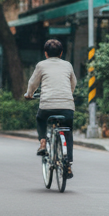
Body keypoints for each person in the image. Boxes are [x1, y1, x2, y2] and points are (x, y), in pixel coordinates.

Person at [24, 38, 77, 179]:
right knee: (68, 132)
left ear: (46, 53)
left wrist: (29, 94)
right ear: (61, 53)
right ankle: (68, 164)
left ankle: (42, 143)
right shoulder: (68, 65)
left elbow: (32, 83)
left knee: (40, 118)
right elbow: (73, 83)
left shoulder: (41, 65)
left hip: (47, 106)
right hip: (67, 106)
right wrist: (68, 95)